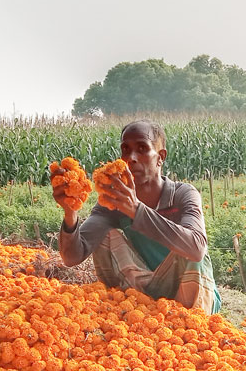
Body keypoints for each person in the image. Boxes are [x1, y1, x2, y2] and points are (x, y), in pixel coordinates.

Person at [55, 120, 221, 314]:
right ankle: (127, 313)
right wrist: (70, 211)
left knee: (192, 247)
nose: (131, 158)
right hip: (142, 294)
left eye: (142, 148)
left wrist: (136, 210)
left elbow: (197, 249)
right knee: (107, 236)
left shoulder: (182, 194)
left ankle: (193, 324)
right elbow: (72, 257)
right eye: (126, 149)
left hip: (186, 291)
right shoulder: (112, 203)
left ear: (160, 157)